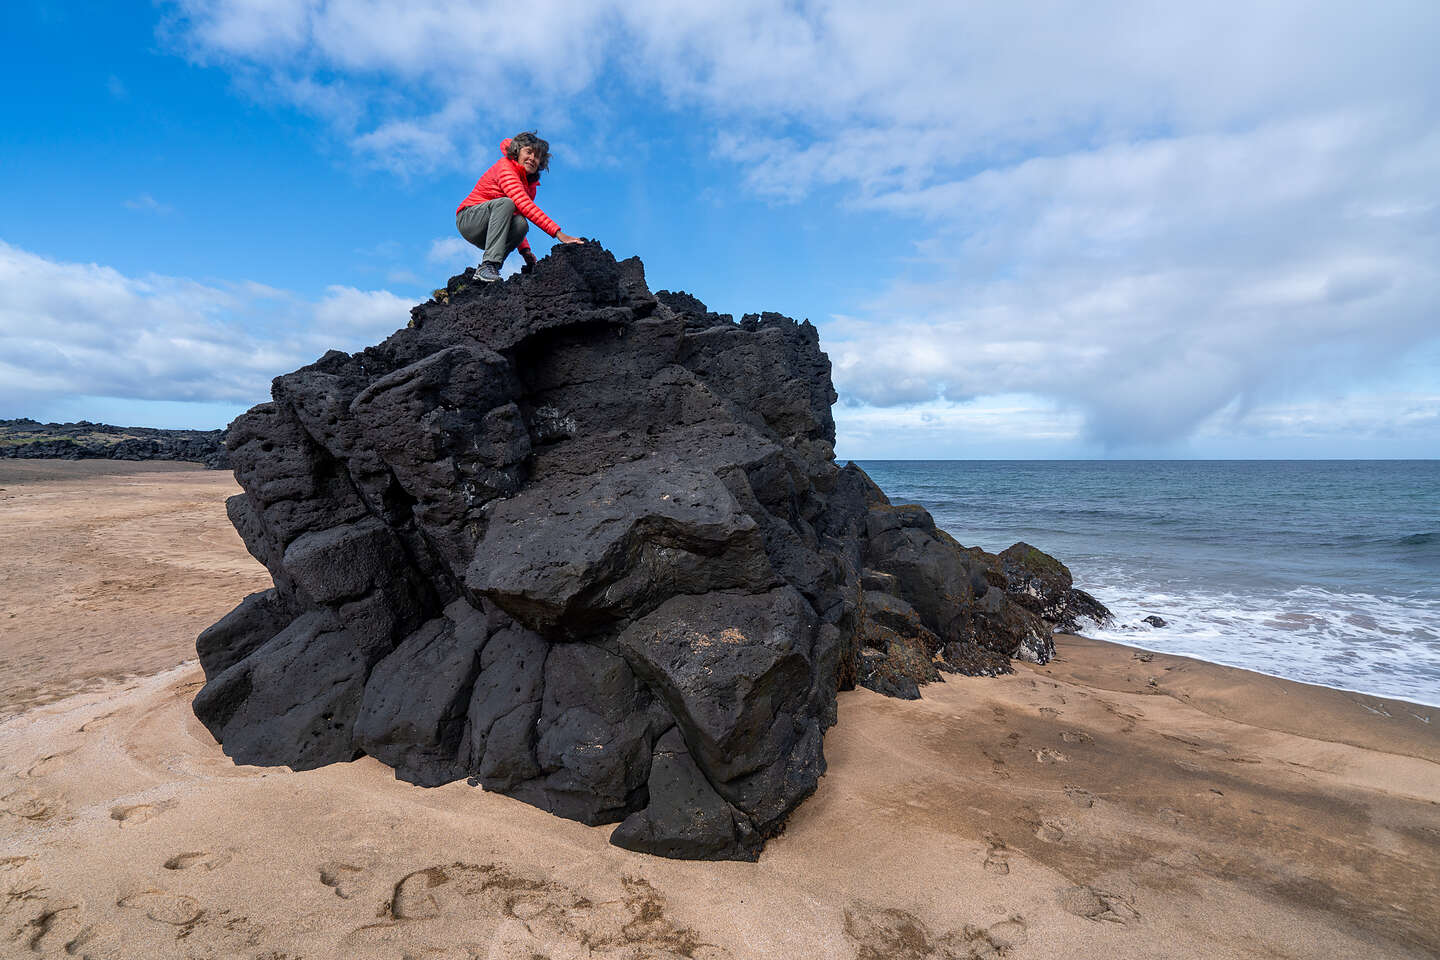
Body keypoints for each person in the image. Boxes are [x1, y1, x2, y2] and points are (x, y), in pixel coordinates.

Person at [455, 132, 584, 282]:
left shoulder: (530, 186)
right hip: (469, 219)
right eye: (528, 152)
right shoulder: (505, 167)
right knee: (507, 203)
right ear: (517, 151)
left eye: (537, 156)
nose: (532, 159)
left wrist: (525, 251)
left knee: (521, 224)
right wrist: (560, 235)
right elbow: (522, 203)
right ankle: (488, 265)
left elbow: (516, 214)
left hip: (490, 228)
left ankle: (490, 270)